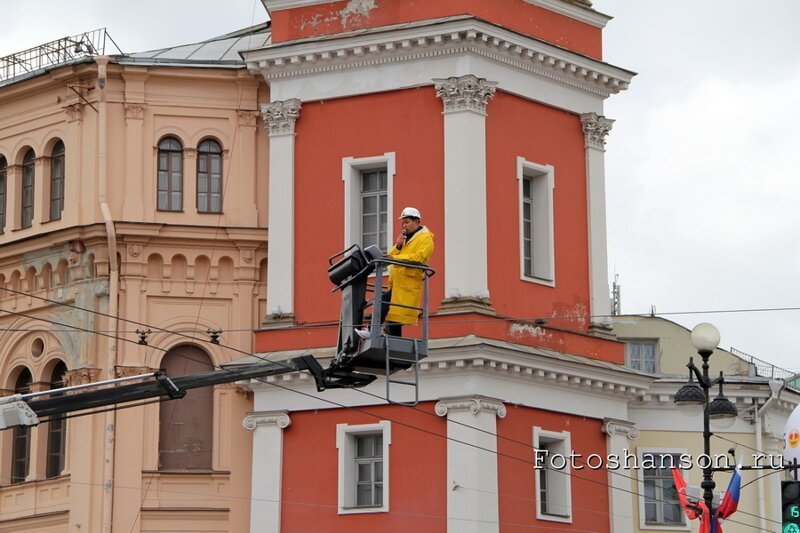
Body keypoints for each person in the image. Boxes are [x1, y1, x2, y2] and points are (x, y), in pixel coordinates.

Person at [381, 207, 435, 336]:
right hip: (398, 283)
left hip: (408, 283)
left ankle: (371, 330)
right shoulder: (405, 238)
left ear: (417, 221)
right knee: (394, 317)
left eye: (407, 222)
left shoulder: (425, 238)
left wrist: (396, 257)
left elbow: (418, 258)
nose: (404, 225)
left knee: (384, 303)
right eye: (403, 223)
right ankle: (393, 343)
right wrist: (398, 246)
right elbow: (390, 257)